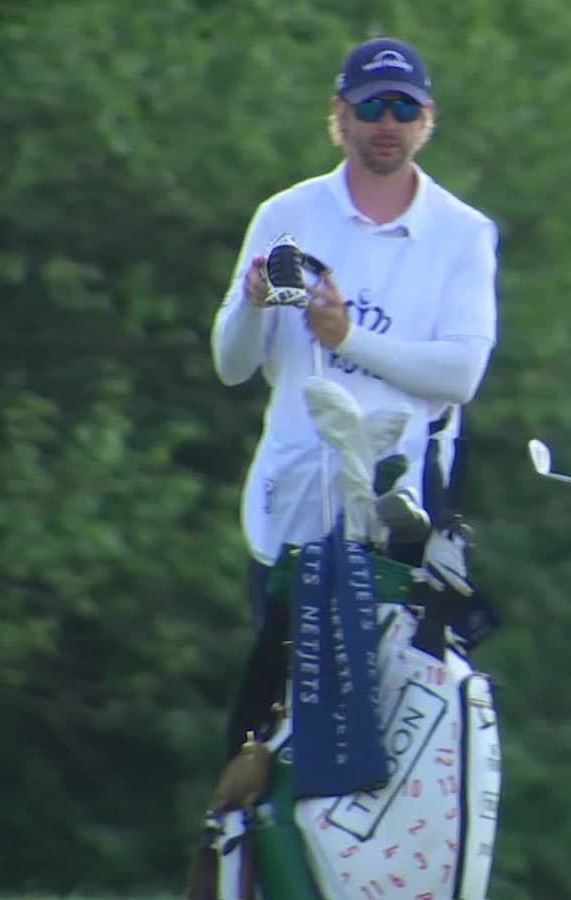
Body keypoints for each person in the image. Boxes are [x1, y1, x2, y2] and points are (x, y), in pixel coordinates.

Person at [210, 36, 500, 625]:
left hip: (401, 510)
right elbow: (232, 366)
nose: (387, 123)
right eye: (371, 107)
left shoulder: (463, 232)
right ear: (340, 115)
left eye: (404, 108)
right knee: (278, 679)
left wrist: (346, 337)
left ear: (427, 118)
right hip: (292, 499)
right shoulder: (285, 213)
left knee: (387, 682)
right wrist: (253, 303)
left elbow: (461, 376)